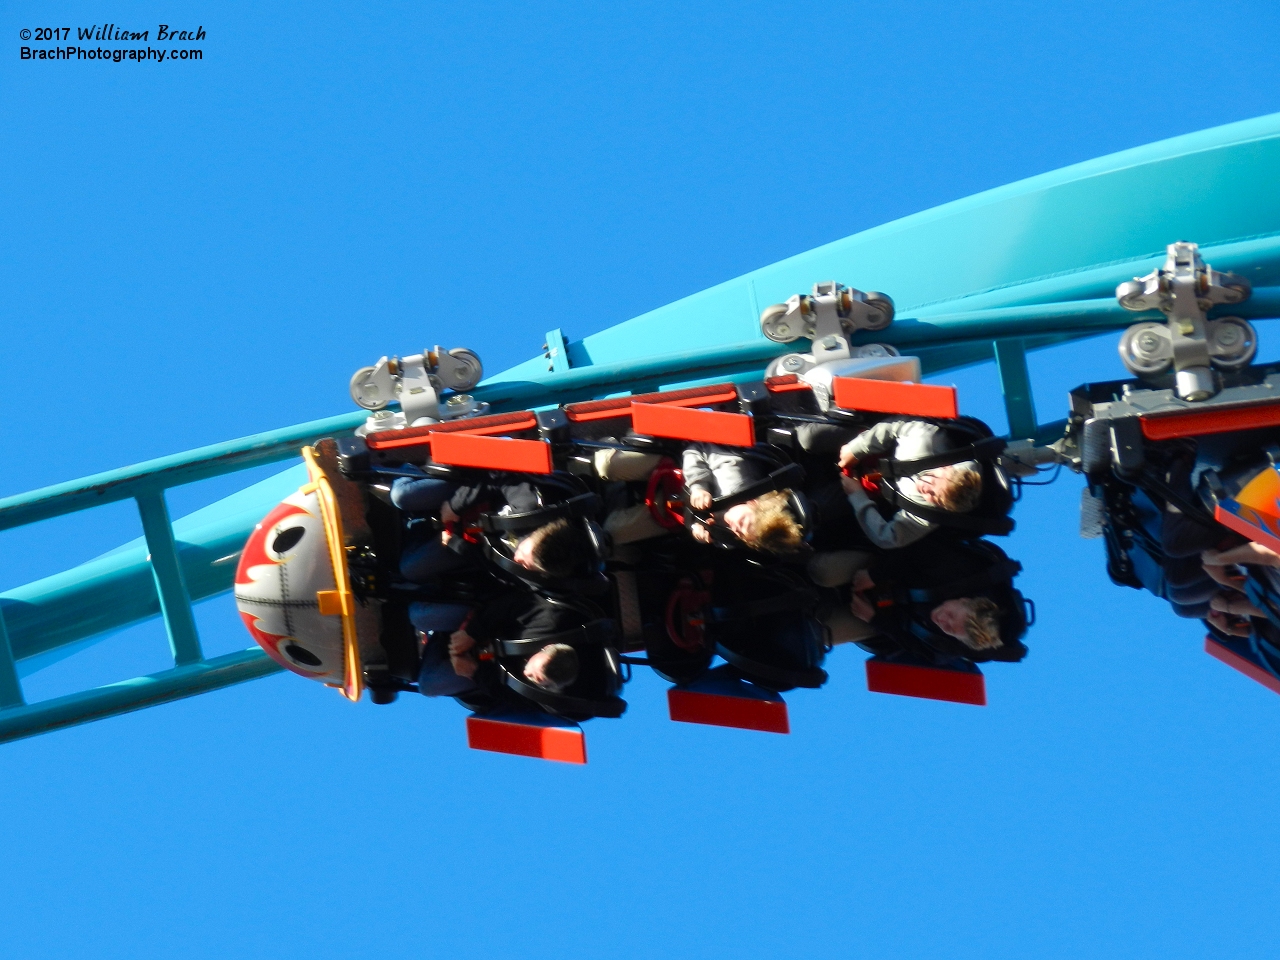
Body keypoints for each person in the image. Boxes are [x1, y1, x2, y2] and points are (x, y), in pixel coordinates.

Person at [809, 539, 1025, 662]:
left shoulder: (950, 644)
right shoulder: (961, 573)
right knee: (822, 571)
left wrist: (874, 619)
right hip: (882, 565)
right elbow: (917, 552)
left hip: (883, 616)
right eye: (951, 615)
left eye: (950, 629)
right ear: (964, 600)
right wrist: (874, 575)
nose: (943, 621)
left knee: (818, 634)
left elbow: (911, 644)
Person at [389, 469, 592, 583]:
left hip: (469, 536)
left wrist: (456, 544)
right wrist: (455, 506)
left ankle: (417, 523)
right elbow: (498, 475)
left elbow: (493, 566)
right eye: (524, 555)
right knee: (402, 496)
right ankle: (408, 470)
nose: (517, 558)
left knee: (410, 569)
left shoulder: (540, 568)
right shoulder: (531, 504)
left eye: (526, 564)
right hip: (468, 490)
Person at [836, 418, 983, 549]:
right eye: (933, 480)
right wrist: (856, 449)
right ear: (945, 466)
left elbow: (888, 538)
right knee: (814, 436)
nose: (926, 489)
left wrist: (857, 496)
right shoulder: (925, 441)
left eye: (935, 498)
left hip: (867, 488)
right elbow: (894, 426)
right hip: (866, 438)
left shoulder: (929, 513)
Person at [415, 590, 583, 697]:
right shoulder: (551, 621)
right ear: (546, 648)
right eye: (533, 669)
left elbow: (506, 697)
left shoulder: (549, 695)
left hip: (483, 666)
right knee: (419, 615)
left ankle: (436, 641)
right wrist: (472, 633)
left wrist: (474, 671)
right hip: (480, 621)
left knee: (429, 685)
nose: (526, 673)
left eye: (535, 679)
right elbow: (510, 603)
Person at [682, 442, 805, 555]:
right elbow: (695, 449)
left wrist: (700, 530)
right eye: (741, 523)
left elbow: (725, 544)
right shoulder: (734, 474)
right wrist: (699, 486)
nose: (734, 530)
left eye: (740, 535)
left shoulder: (735, 534)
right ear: (753, 503)